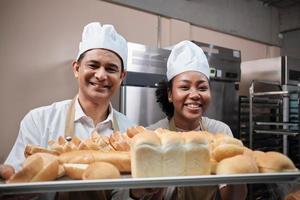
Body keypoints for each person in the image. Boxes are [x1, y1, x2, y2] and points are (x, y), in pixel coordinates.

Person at [0, 22, 134, 199]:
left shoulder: (130, 131)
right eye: (93, 65)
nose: (101, 75)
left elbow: (127, 191)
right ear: (76, 69)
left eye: (111, 69)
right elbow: (15, 182)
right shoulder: (39, 121)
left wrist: (138, 193)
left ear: (122, 76)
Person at [128, 40, 247, 200]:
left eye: (202, 87)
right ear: (170, 94)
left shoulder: (220, 132)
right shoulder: (152, 135)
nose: (195, 94)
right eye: (184, 87)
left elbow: (234, 197)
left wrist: (237, 174)